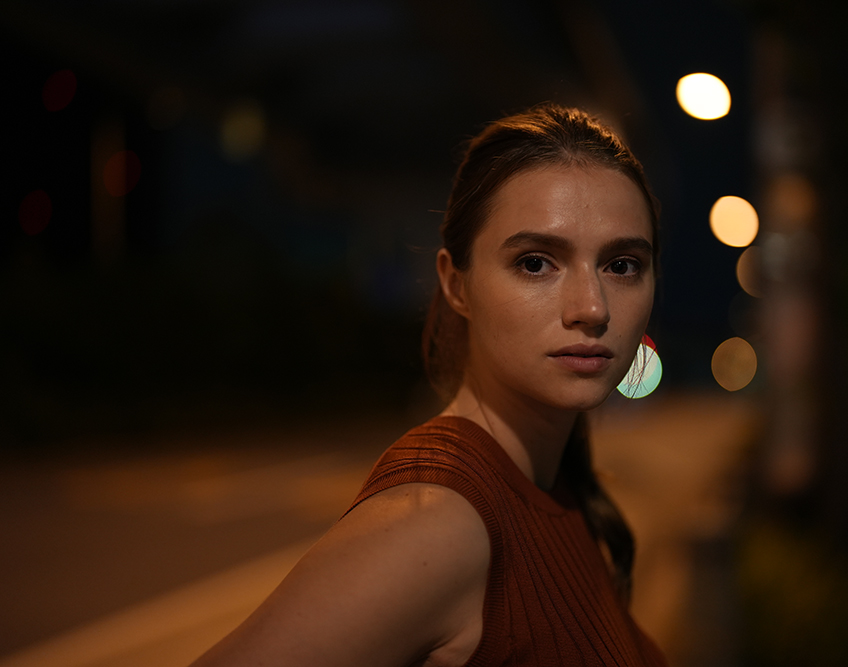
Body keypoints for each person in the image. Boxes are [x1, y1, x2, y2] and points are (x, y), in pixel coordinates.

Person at [191, 104, 668, 667]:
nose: (591, 307)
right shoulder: (439, 521)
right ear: (455, 284)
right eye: (537, 263)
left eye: (622, 265)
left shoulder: (553, 484)